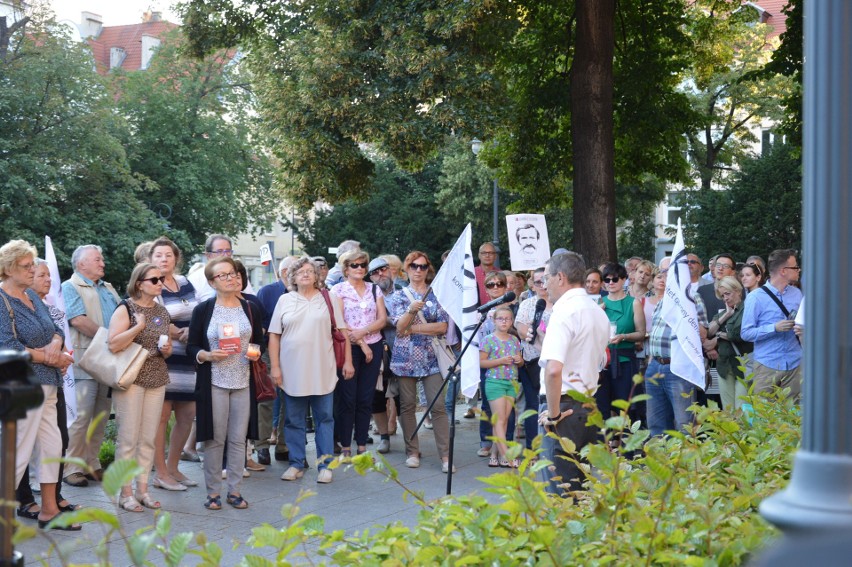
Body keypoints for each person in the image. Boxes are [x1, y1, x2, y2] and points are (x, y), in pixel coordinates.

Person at [1, 241, 77, 530]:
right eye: (26, 266)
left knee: (53, 447)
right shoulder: (1, 299)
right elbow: (7, 346)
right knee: (17, 454)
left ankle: (49, 510)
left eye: (33, 264)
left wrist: (56, 346)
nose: (33, 270)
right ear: (7, 270)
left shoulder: (32, 295)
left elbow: (55, 328)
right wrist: (49, 357)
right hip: (22, 386)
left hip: (49, 386)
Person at [187, 257, 264, 510]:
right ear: (212, 282)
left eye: (232, 273)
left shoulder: (250, 307)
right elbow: (192, 347)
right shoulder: (204, 309)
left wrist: (252, 354)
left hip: (243, 380)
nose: (231, 278)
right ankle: (212, 493)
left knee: (238, 439)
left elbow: (257, 342)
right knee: (214, 439)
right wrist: (207, 355)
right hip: (214, 382)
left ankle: (235, 491)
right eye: (223, 275)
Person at [268, 257, 352, 484]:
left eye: (309, 271)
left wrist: (348, 362)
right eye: (300, 271)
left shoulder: (329, 299)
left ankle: (326, 465)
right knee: (294, 419)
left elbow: (343, 332)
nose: (305, 274)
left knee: (324, 417)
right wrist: (275, 367)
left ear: (317, 276)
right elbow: (274, 335)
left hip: (322, 367)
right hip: (291, 369)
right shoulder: (284, 300)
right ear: (292, 277)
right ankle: (296, 463)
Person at [538, 251, 610, 496]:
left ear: (560, 277)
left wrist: (554, 413)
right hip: (588, 406)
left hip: (563, 409)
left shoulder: (563, 311)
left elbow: (554, 368)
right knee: (583, 491)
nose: (543, 284)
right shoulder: (597, 311)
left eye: (546, 278)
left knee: (562, 494)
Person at [108, 262, 173, 512]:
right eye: (154, 279)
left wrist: (166, 350)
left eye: (162, 279)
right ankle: (125, 493)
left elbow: (164, 349)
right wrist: (138, 326)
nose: (160, 283)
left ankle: (142, 490)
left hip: (157, 376)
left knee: (148, 439)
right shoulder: (126, 308)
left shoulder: (163, 312)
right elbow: (113, 344)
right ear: (139, 284)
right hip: (130, 379)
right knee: (128, 438)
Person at [386, 251, 454, 472]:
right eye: (413, 266)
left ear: (428, 269)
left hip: (432, 357)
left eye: (423, 266)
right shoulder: (397, 296)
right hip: (405, 358)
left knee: (438, 406)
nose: (418, 270)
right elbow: (398, 326)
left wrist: (411, 327)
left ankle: (446, 456)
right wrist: (410, 310)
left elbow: (442, 327)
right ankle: (412, 451)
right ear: (406, 269)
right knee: (407, 406)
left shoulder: (437, 295)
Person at [61, 244, 121, 487]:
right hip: (84, 361)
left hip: (107, 361)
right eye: (97, 259)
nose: (103, 263)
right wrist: (111, 337)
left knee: (101, 415)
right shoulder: (69, 286)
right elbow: (77, 320)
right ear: (81, 263)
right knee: (81, 417)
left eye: (102, 259)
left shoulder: (108, 288)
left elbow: (122, 314)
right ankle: (71, 468)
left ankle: (92, 464)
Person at [148, 237, 199, 492]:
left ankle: (174, 466)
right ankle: (160, 472)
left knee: (188, 414)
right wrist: (179, 332)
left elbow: (198, 310)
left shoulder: (185, 283)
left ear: (176, 258)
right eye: (158, 255)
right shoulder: (148, 283)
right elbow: (153, 317)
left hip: (188, 359)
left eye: (168, 255)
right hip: (164, 357)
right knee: (162, 416)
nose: (164, 259)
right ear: (150, 259)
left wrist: (196, 331)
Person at [331, 250, 387, 458]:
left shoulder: (374, 289)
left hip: (374, 344)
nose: (360, 268)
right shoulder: (338, 290)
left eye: (363, 264)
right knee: (347, 398)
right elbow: (340, 324)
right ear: (346, 268)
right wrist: (362, 344)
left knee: (366, 398)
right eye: (354, 265)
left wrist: (364, 334)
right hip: (348, 347)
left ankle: (362, 444)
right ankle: (345, 445)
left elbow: (382, 320)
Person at [645, 257, 710, 437]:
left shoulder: (691, 297)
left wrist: (685, 313)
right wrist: (651, 362)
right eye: (662, 272)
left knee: (685, 424)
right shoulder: (661, 300)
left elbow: (704, 334)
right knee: (656, 424)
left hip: (679, 368)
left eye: (668, 271)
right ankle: (660, 462)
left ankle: (687, 464)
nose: (664, 276)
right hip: (655, 366)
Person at [740, 249, 803, 401]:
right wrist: (774, 328)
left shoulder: (797, 294)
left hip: (795, 364)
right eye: (795, 267)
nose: (799, 270)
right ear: (783, 271)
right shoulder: (755, 297)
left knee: (794, 416)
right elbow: (746, 333)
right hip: (767, 366)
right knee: (765, 418)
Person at [473, 270, 516, 458]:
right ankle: (487, 442)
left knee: (509, 409)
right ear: (486, 288)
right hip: (488, 363)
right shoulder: (480, 312)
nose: (496, 287)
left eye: (499, 284)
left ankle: (507, 443)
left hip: (510, 366)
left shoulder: (514, 309)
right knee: (487, 406)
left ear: (506, 286)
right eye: (491, 285)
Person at [597, 263, 646, 423]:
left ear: (624, 279)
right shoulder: (599, 303)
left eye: (615, 279)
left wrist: (624, 336)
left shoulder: (633, 303)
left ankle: (626, 444)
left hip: (624, 361)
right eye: (607, 279)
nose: (610, 283)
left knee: (625, 407)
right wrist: (598, 313)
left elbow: (641, 333)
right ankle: (608, 444)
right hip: (602, 363)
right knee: (602, 407)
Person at [254, 257, 290, 465]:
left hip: (294, 352)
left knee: (292, 399)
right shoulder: (267, 292)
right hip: (269, 349)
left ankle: (285, 445)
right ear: (285, 272)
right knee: (267, 397)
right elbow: (259, 323)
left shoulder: (302, 294)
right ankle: (262, 445)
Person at [480, 306, 523, 468]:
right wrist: (500, 361)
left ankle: (494, 454)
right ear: (494, 321)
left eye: (507, 319)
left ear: (512, 321)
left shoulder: (514, 340)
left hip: (511, 382)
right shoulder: (489, 339)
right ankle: (507, 456)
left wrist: (519, 361)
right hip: (495, 382)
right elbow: (482, 362)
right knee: (499, 420)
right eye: (500, 319)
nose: (504, 322)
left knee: (505, 420)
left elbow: (520, 362)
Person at [514, 267, 552, 448]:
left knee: (551, 405)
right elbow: (521, 330)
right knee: (532, 405)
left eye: (545, 280)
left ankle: (552, 446)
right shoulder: (527, 304)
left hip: (555, 363)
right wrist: (529, 332)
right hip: (531, 362)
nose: (543, 285)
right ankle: (532, 448)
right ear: (532, 284)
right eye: (538, 281)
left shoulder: (561, 304)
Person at [704, 276, 753, 410]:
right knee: (728, 409)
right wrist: (726, 315)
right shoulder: (724, 312)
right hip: (724, 365)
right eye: (722, 295)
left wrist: (719, 335)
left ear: (738, 291)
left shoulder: (747, 308)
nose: (725, 298)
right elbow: (709, 332)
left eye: (727, 293)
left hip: (743, 365)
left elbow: (737, 335)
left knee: (742, 408)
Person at [368, 257, 401, 453]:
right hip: (377, 353)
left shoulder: (404, 290)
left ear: (390, 270)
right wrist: (391, 320)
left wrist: (382, 320)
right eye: (374, 272)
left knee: (403, 399)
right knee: (377, 398)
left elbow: (408, 319)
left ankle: (411, 441)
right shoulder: (368, 294)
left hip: (402, 352)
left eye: (383, 269)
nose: (380, 274)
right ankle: (384, 437)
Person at [188, 234, 253, 301]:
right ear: (208, 255)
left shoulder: (238, 274)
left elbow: (250, 297)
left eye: (228, 251)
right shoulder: (196, 278)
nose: (225, 255)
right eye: (220, 251)